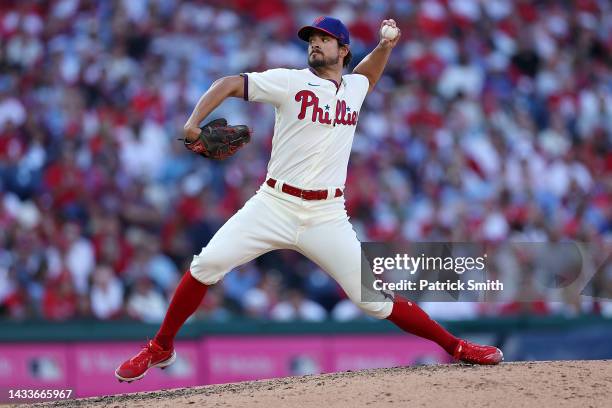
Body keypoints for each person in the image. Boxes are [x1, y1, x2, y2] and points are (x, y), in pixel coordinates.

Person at [115, 16, 502, 383]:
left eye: (324, 40)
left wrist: (386, 44)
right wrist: (192, 122)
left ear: (343, 50)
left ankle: (456, 347)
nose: (315, 45)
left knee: (374, 300)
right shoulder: (290, 81)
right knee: (206, 265)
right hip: (274, 204)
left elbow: (368, 73)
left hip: (327, 215)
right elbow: (230, 82)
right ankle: (160, 346)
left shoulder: (353, 88)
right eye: (311, 41)